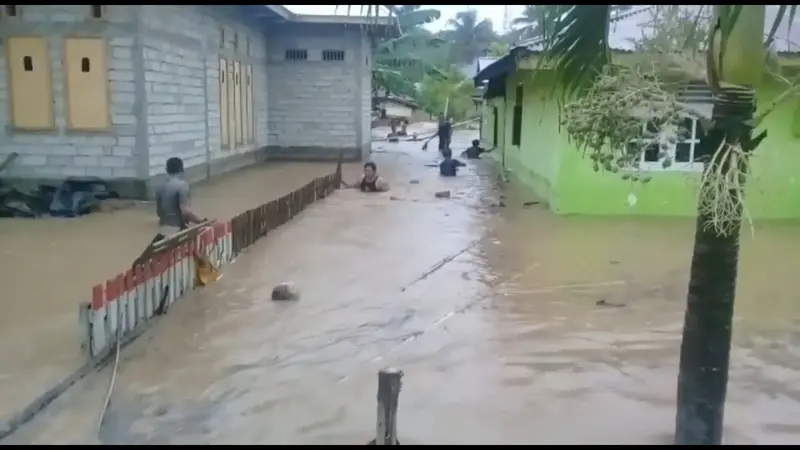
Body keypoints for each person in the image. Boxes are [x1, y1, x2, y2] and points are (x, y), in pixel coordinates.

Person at [153, 157, 206, 243]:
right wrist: (201, 221)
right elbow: (185, 212)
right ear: (182, 169)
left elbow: (159, 213)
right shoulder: (182, 186)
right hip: (177, 231)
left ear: (166, 170)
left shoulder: (159, 187)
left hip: (162, 230)